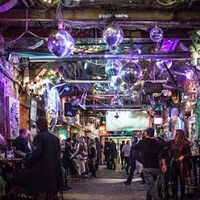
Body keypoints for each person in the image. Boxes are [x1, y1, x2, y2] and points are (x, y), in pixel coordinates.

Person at [10, 117, 64, 198]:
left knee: (15, 177)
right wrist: (27, 156)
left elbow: (35, 155)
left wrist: (26, 162)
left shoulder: (39, 137)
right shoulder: (55, 138)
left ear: (38, 126)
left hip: (40, 174)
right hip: (55, 174)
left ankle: (21, 194)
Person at [132, 127, 167, 200]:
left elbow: (134, 147)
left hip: (147, 167)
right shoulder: (158, 142)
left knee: (151, 185)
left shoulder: (143, 142)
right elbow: (163, 154)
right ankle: (148, 198)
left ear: (146, 133)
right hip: (156, 166)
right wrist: (164, 165)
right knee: (151, 185)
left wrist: (137, 140)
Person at [168, 129, 192, 200]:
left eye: (176, 134)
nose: (175, 135)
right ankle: (175, 195)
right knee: (174, 179)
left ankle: (182, 195)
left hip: (181, 163)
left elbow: (189, 153)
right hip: (174, 162)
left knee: (182, 180)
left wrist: (183, 156)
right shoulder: (172, 142)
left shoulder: (185, 143)